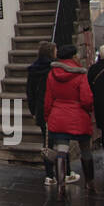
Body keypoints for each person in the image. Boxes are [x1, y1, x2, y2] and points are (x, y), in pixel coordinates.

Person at [44, 43, 95, 196]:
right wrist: (89, 110)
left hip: (58, 116)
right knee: (85, 149)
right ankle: (89, 183)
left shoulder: (52, 74)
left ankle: (61, 187)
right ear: (74, 56)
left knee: (61, 150)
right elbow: (86, 100)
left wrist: (48, 116)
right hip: (78, 116)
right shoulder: (80, 75)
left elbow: (48, 99)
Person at [27, 41, 79, 186]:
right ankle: (66, 172)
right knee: (62, 141)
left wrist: (33, 111)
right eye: (55, 50)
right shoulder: (54, 68)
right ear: (51, 53)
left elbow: (30, 93)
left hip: (40, 110)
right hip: (54, 108)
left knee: (47, 141)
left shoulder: (33, 70)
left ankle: (49, 175)